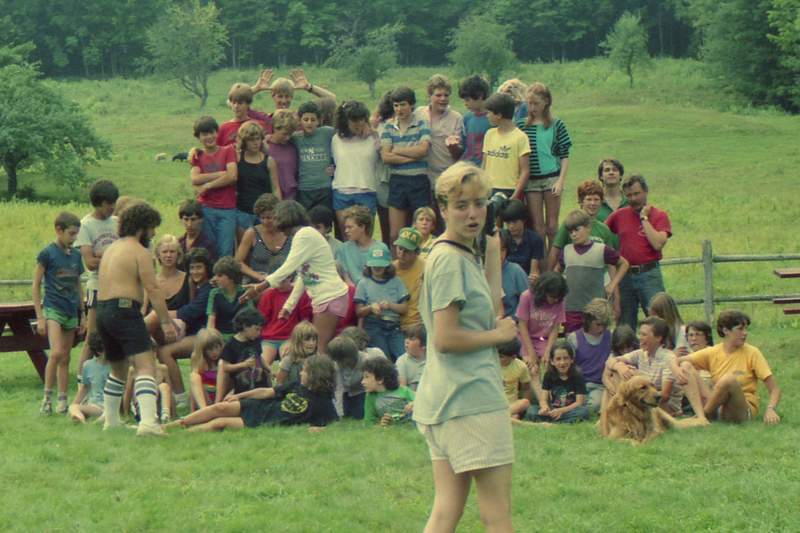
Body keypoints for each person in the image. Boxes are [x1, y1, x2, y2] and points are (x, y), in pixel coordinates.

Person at [414, 162, 518, 532]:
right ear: (442, 208)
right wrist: (499, 337)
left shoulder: (459, 254)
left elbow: (488, 311)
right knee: (497, 515)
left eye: (479, 203)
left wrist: (491, 252)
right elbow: (445, 339)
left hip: (446, 399)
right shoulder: (448, 262)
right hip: (470, 397)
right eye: (461, 205)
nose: (472, 213)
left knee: (447, 511)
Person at [95, 202, 177, 435]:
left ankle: (110, 421)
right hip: (124, 309)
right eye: (152, 229)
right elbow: (152, 288)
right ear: (143, 227)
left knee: (119, 368)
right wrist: (165, 322)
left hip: (103, 311)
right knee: (145, 366)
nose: (153, 234)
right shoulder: (140, 252)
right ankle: (149, 423)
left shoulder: (111, 249)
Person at [240, 201, 349, 354]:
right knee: (320, 348)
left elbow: (287, 268)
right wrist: (288, 307)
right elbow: (303, 276)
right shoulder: (304, 235)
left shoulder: (304, 235)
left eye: (277, 218)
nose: (274, 223)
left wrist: (259, 287)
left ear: (286, 218)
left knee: (319, 350)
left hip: (329, 296)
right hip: (327, 297)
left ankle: (322, 377)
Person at [166, 353, 338, 432]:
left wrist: (319, 430)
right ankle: (170, 427)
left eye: (305, 371)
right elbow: (266, 392)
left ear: (316, 375)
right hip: (260, 407)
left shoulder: (323, 402)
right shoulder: (296, 385)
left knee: (220, 422)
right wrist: (239, 396)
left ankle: (182, 435)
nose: (301, 373)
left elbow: (335, 425)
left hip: (266, 422)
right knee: (219, 408)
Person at [674, 310, 781, 425]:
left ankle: (701, 418)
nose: (745, 333)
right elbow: (675, 361)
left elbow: (775, 389)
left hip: (742, 410)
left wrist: (771, 409)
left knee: (728, 379)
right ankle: (701, 416)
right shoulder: (713, 352)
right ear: (725, 330)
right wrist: (676, 369)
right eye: (740, 329)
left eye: (746, 329)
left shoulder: (752, 353)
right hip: (718, 405)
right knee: (686, 366)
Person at [33, 211, 86, 415]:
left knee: (65, 357)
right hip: (53, 308)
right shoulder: (47, 253)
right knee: (55, 352)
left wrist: (83, 314)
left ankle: (62, 400)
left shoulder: (76, 255)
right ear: (59, 230)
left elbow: (77, 285)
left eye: (76, 235)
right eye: (71, 234)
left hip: (71, 310)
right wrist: (40, 317)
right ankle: (47, 397)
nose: (73, 239)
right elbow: (36, 284)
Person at [606, 174, 672, 329]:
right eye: (629, 195)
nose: (633, 198)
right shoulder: (618, 216)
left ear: (646, 192)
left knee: (659, 320)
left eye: (637, 194)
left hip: (649, 274)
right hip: (625, 276)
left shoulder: (659, 216)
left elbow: (657, 244)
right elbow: (599, 232)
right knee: (625, 323)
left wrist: (644, 218)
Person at [74, 179, 119, 386]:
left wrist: (102, 252)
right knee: (92, 336)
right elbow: (90, 262)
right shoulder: (85, 225)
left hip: (118, 285)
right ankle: (81, 379)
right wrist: (112, 253)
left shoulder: (117, 222)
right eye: (109, 203)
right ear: (99, 202)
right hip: (97, 286)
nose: (112, 207)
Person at [517, 82, 572, 249]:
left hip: (551, 179)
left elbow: (564, 154)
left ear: (546, 102)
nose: (532, 107)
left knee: (552, 227)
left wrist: (560, 181)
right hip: (531, 181)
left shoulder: (556, 125)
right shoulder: (521, 126)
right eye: (529, 103)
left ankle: (554, 265)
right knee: (538, 227)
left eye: (536, 103)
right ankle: (541, 266)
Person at [158, 247, 214, 404]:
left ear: (206, 268)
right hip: (194, 333)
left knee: (165, 352)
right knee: (162, 344)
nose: (195, 272)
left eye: (199, 267)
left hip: (204, 336)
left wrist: (160, 314)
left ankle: (180, 396)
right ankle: (177, 394)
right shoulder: (196, 287)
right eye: (192, 268)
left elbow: (190, 311)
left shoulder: (209, 288)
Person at [557, 210, 628, 333]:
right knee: (573, 343)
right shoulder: (566, 251)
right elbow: (557, 270)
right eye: (570, 231)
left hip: (596, 309)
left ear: (588, 228)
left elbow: (624, 264)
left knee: (596, 341)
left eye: (577, 229)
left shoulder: (601, 249)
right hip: (571, 309)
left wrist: (612, 284)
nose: (574, 234)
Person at [603, 317, 688, 416]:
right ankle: (607, 415)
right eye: (640, 334)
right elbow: (609, 361)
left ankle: (609, 414)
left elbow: (664, 396)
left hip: (663, 407)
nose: (640, 338)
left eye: (644, 334)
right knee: (617, 372)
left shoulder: (668, 358)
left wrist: (636, 382)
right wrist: (620, 367)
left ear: (658, 338)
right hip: (645, 401)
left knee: (630, 374)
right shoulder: (641, 354)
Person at [381, 86, 432, 245]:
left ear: (411, 105)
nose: (399, 109)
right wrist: (413, 157)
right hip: (397, 181)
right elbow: (386, 157)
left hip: (418, 180)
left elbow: (424, 149)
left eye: (403, 104)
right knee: (395, 234)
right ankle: (397, 267)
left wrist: (398, 150)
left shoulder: (422, 124)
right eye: (396, 105)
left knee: (421, 232)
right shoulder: (389, 127)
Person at [190, 116, 238, 257]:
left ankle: (225, 278)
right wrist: (221, 174)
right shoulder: (198, 155)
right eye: (204, 134)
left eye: (212, 132)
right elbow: (194, 178)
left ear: (217, 133)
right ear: (198, 137)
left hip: (227, 209)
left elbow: (232, 176)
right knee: (208, 249)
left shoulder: (228, 151)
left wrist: (207, 186)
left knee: (226, 250)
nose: (209, 137)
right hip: (206, 208)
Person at [547, 179, 619, 272]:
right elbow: (555, 251)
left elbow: (610, 262)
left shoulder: (604, 229)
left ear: (601, 202)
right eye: (589, 199)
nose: (593, 203)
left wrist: (614, 284)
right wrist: (549, 275)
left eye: (596, 199)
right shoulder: (570, 223)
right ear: (581, 202)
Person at [331, 100, 381, 226]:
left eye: (361, 119)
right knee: (347, 237)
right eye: (354, 120)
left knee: (365, 237)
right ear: (346, 120)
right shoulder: (336, 139)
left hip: (367, 191)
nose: (358, 124)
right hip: (342, 192)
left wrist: (372, 130)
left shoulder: (374, 137)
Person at [355, 247, 409, 362]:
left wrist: (390, 305)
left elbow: (404, 308)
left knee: (403, 356)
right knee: (382, 359)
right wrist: (371, 307)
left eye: (381, 265)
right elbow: (358, 312)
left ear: (387, 266)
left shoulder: (396, 281)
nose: (377, 268)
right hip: (374, 324)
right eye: (374, 265)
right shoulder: (363, 283)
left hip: (393, 325)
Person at [234, 121, 281, 240]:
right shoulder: (238, 158)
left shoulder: (269, 161)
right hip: (243, 211)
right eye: (251, 140)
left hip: (265, 214)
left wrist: (279, 210)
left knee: (264, 246)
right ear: (244, 141)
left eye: (258, 138)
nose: (255, 143)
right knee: (245, 247)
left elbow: (275, 187)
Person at [566, 298, 612, 415]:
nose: (601, 329)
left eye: (604, 325)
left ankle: (576, 411)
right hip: (578, 385)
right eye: (598, 324)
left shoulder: (610, 337)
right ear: (588, 319)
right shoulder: (574, 338)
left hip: (598, 386)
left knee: (595, 404)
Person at [525, 340, 589, 423]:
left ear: (572, 360)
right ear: (552, 361)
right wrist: (544, 408)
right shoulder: (548, 375)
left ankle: (551, 421)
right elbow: (543, 399)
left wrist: (561, 411)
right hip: (553, 409)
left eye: (565, 358)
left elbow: (579, 402)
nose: (562, 362)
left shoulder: (577, 375)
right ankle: (558, 420)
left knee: (583, 412)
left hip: (569, 410)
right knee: (531, 410)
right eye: (558, 359)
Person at [482, 92, 530, 201]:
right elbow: (484, 164)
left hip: (510, 189)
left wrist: (515, 196)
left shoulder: (520, 137)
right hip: (490, 188)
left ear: (499, 115)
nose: (487, 115)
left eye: (489, 113)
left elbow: (525, 170)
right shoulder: (489, 134)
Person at [257, 275, 312, 367]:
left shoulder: (301, 294)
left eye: (283, 281)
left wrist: (296, 340)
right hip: (269, 338)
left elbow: (305, 321)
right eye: (276, 281)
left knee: (287, 363)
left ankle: (281, 381)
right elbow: (261, 320)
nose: (279, 285)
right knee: (262, 363)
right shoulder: (268, 295)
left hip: (289, 338)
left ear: (290, 278)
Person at [235, 193, 290, 284]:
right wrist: (257, 275)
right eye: (262, 218)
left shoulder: (289, 232)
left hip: (286, 282)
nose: (265, 221)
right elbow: (237, 262)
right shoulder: (252, 233)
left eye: (269, 217)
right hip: (259, 283)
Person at [217, 307, 270, 401]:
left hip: (260, 384)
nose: (259, 333)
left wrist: (269, 369)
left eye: (260, 330)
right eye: (256, 329)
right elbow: (225, 367)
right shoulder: (231, 344)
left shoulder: (255, 340)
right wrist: (243, 365)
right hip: (241, 386)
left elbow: (259, 357)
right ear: (245, 326)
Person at [327, 335, 385, 419]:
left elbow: (376, 383)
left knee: (360, 414)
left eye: (340, 361)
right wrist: (339, 414)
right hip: (347, 394)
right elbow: (339, 389)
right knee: (346, 413)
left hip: (364, 392)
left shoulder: (366, 360)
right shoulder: (337, 365)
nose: (339, 363)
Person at [516, 271, 568, 365]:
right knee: (530, 363)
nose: (555, 300)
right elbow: (522, 326)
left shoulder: (560, 301)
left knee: (550, 361)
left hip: (544, 340)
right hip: (525, 339)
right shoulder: (526, 296)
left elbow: (555, 329)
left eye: (558, 298)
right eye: (552, 297)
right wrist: (531, 353)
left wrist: (548, 351)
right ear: (544, 292)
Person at [292, 101, 335, 211]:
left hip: (324, 187)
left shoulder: (328, 133)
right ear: (300, 120)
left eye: (313, 119)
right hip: (304, 189)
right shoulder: (295, 138)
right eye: (306, 120)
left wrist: (335, 166)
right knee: (306, 224)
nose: (309, 123)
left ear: (319, 121)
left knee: (323, 223)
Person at [335, 205, 391, 285]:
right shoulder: (343, 249)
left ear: (362, 227)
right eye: (345, 227)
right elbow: (346, 277)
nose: (346, 231)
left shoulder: (380, 248)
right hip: (352, 291)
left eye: (350, 227)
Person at [68, 332, 109, 423]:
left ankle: (83, 418)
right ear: (99, 351)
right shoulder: (88, 365)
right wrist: (75, 403)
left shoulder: (117, 365)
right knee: (73, 407)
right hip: (95, 406)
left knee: (74, 408)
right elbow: (85, 388)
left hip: (110, 404)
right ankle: (80, 418)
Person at [362, 357, 415, 426]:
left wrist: (413, 404)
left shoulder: (403, 391)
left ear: (380, 379)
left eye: (366, 377)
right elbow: (368, 423)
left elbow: (422, 401)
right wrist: (381, 424)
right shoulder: (370, 397)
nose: (362, 382)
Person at [501, 200, 544, 281]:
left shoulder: (535, 239)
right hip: (506, 278)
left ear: (523, 220)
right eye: (508, 223)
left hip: (525, 278)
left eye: (514, 222)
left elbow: (533, 270)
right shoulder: (503, 238)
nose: (511, 226)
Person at [206, 257, 248, 339]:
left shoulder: (244, 292)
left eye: (220, 276)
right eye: (215, 275)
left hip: (239, 337)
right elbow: (211, 322)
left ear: (231, 277)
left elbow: (249, 319)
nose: (215, 279)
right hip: (219, 337)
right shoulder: (214, 293)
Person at [392, 226, 425, 330]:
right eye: (400, 248)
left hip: (419, 323)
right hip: (394, 323)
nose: (401, 253)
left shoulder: (426, 268)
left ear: (416, 252)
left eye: (407, 251)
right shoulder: (390, 269)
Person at [454, 75, 491, 166]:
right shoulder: (467, 118)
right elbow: (465, 147)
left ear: (480, 96)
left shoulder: (493, 119)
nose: (465, 104)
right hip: (469, 166)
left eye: (467, 100)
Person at [189, 328, 224, 410]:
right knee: (194, 376)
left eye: (216, 347)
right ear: (203, 350)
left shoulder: (223, 360)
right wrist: (192, 411)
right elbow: (193, 387)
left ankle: (212, 409)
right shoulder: (197, 359)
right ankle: (203, 410)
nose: (214, 352)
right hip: (204, 397)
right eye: (210, 349)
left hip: (220, 397)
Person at [267, 109, 300, 200]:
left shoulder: (293, 146)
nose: (287, 138)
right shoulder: (266, 147)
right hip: (274, 196)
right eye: (284, 134)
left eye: (290, 134)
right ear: (275, 128)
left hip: (293, 196)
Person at [497, 339, 533, 419]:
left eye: (501, 357)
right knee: (513, 418)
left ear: (513, 357)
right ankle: (500, 416)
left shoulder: (521, 366)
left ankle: (500, 416)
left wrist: (522, 410)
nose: (496, 358)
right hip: (494, 403)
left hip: (512, 405)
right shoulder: (490, 365)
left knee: (525, 402)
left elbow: (527, 388)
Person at [275, 321, 319, 387]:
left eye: (314, 339)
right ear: (297, 341)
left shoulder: (317, 359)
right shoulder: (289, 359)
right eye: (307, 340)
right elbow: (279, 383)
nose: (311, 343)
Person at [177, 199, 218, 267]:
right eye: (186, 219)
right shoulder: (178, 243)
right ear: (181, 220)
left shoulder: (208, 244)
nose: (189, 224)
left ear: (201, 220)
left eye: (193, 219)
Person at [499, 230, 528, 319]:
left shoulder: (515, 271)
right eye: (495, 250)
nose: (499, 254)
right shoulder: (479, 270)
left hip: (512, 324)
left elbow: (528, 302)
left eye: (502, 250)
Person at [396, 324, 427, 391]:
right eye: (406, 338)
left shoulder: (433, 359)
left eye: (412, 339)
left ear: (424, 345)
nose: (406, 341)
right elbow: (402, 388)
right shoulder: (402, 361)